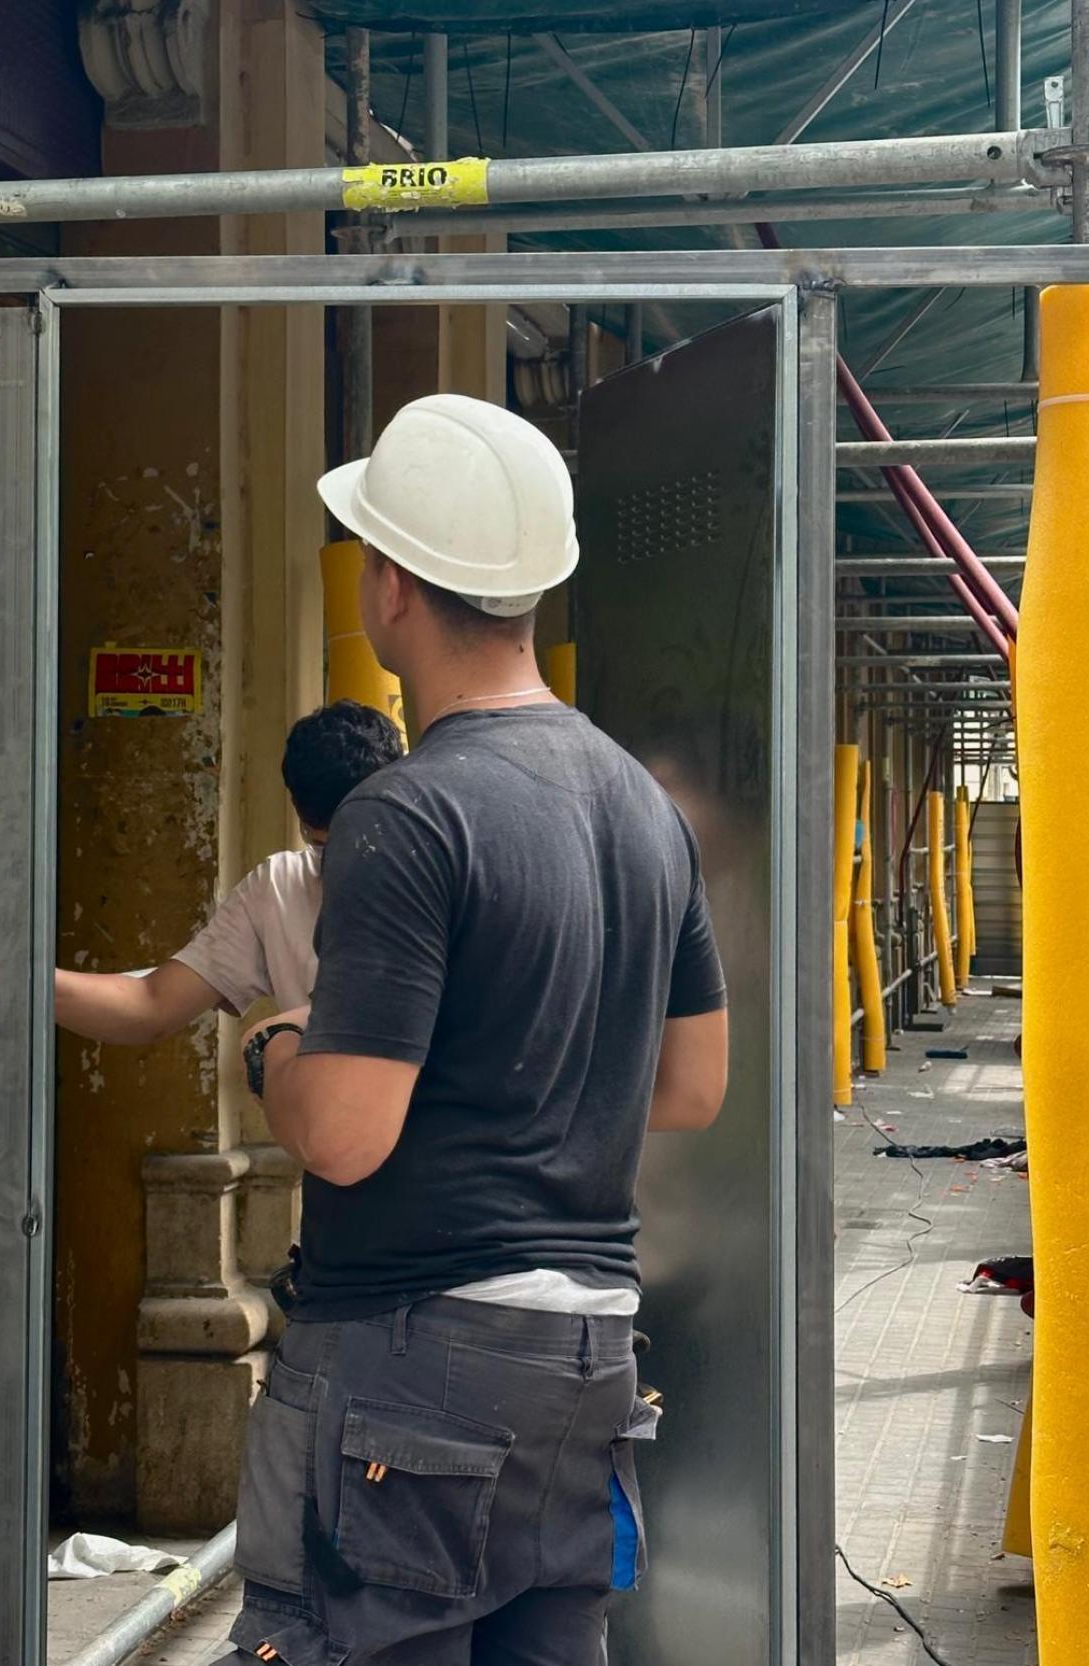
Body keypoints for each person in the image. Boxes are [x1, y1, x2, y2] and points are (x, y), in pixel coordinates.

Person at [225, 394, 729, 1666]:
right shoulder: (637, 804)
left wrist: (275, 1047)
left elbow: (342, 1137)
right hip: (584, 1362)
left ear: (389, 585)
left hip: (409, 1362)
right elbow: (690, 1085)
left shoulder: (406, 814)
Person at [0, 700, 404, 1034]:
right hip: (338, 1161)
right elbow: (150, 1004)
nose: (342, 863)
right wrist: (19, 979)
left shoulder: (446, 868)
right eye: (327, 845)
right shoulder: (278, 886)